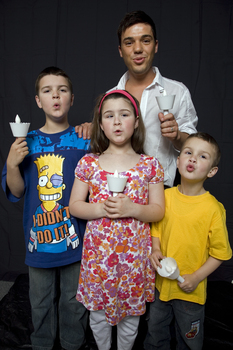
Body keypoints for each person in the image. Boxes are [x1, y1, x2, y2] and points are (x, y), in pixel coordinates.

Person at [1, 67, 90, 350]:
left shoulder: (84, 140)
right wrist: (12, 163)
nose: (55, 96)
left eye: (62, 90)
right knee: (39, 301)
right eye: (47, 90)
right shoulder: (26, 143)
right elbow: (16, 191)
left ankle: (72, 343)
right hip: (37, 242)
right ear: (38, 100)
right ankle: (42, 345)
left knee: (73, 300)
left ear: (72, 98)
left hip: (76, 238)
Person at [69, 90, 165, 350]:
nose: (117, 122)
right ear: (101, 124)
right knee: (98, 315)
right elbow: (75, 206)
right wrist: (102, 209)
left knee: (131, 317)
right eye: (109, 116)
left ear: (136, 121)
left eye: (124, 115)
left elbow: (158, 211)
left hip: (133, 259)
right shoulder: (89, 163)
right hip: (99, 259)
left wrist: (132, 208)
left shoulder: (150, 165)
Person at [76, 10, 198, 188]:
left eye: (145, 40)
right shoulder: (109, 98)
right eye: (129, 42)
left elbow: (193, 146)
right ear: (120, 50)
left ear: (155, 46)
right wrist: (91, 128)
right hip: (118, 190)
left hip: (162, 192)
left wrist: (177, 135)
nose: (138, 49)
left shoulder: (177, 91)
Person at [144, 132, 232, 350]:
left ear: (212, 171)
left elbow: (220, 253)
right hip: (161, 286)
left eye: (203, 157)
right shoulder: (164, 197)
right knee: (155, 334)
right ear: (178, 160)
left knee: (189, 340)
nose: (193, 158)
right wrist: (155, 248)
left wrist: (196, 277)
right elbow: (156, 227)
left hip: (190, 290)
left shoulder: (213, 209)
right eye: (188, 152)